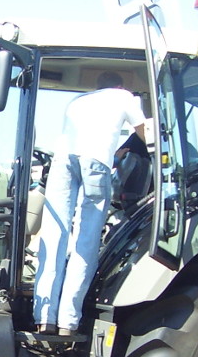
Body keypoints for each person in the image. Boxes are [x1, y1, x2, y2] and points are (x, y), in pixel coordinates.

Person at [33, 71, 148, 336]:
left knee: (54, 235)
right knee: (86, 241)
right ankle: (68, 323)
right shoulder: (124, 97)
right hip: (96, 163)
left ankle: (44, 318)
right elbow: (146, 135)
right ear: (119, 85)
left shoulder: (78, 101)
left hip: (63, 162)